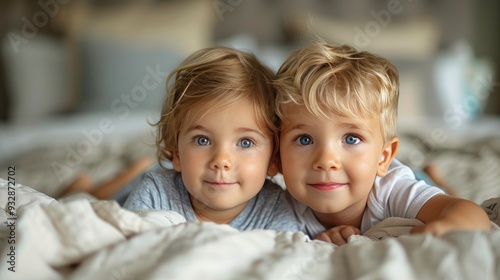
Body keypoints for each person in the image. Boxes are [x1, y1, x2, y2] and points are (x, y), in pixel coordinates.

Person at [273, 41, 491, 245]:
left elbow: (469, 211)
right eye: (304, 139)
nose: (326, 160)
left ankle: (433, 176)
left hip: (410, 178)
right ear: (278, 154)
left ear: (384, 156)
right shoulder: (277, 205)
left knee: (444, 192)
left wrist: (447, 226)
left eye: (351, 138)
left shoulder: (392, 190)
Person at [123, 46, 300, 232]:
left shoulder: (278, 210)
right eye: (202, 140)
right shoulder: (155, 194)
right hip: (144, 180)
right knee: (120, 189)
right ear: (176, 154)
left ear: (273, 159)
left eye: (245, 142)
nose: (221, 161)